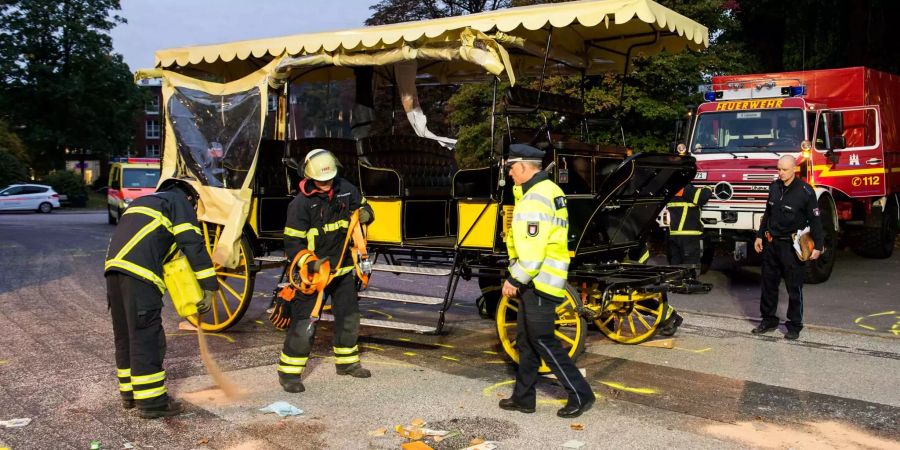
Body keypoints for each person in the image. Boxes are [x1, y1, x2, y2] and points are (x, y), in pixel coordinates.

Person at [104, 177, 219, 419]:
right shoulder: (179, 202)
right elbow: (192, 244)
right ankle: (152, 402)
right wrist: (208, 286)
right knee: (147, 336)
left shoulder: (143, 202)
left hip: (114, 272)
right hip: (140, 275)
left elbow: (162, 251)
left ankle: (130, 394)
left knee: (126, 335)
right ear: (190, 197)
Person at [498, 144, 595, 418]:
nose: (510, 173)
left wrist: (514, 279)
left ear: (524, 167)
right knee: (527, 341)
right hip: (541, 279)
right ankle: (523, 398)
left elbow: (532, 250)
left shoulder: (535, 198)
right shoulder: (549, 190)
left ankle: (581, 394)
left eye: (512, 167)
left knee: (542, 340)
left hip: (537, 281)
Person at [277, 149, 374, 393]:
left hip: (342, 272)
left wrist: (366, 214)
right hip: (314, 276)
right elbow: (293, 244)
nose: (326, 184)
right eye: (321, 181)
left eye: (329, 179)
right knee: (305, 324)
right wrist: (311, 264)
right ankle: (289, 373)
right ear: (310, 177)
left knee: (349, 318)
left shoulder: (347, 189)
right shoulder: (300, 205)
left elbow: (366, 209)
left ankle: (347, 363)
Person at [753, 155, 823, 340]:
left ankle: (794, 324)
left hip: (792, 246)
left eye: (784, 169)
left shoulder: (805, 191)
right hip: (772, 243)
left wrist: (818, 245)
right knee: (768, 284)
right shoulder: (774, 187)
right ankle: (768, 319)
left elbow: (816, 221)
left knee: (794, 286)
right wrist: (760, 235)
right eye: (778, 169)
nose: (780, 173)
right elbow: (767, 213)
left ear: (794, 169)